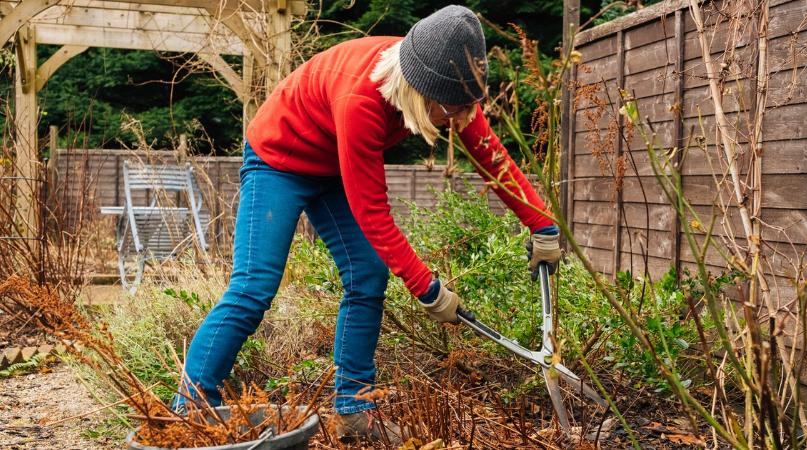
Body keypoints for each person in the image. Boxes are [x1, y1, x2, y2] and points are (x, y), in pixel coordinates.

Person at [174, 4, 561, 445]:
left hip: (332, 166)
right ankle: (190, 408)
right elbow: (373, 213)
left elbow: (491, 155)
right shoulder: (360, 99)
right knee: (253, 286)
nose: (460, 119)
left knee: (368, 275)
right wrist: (428, 289)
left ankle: (355, 409)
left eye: (467, 106)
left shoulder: (449, 87)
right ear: (423, 93)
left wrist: (541, 224)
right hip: (278, 160)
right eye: (452, 109)